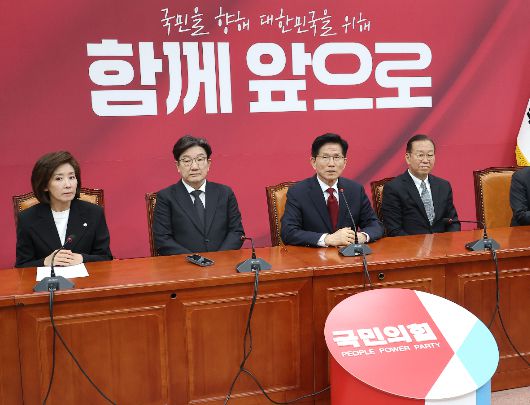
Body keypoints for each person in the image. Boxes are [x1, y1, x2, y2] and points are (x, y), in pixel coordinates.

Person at [281, 133, 383, 247]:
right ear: (313, 162)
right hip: (313, 255)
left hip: (349, 255)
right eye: (325, 157)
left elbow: (375, 225)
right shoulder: (298, 192)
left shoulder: (355, 190)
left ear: (344, 163)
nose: (331, 164)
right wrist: (327, 239)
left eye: (337, 157)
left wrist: (361, 236)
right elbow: (288, 232)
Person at [15, 151, 112, 268]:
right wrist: (45, 261)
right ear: (45, 185)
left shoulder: (94, 213)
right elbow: (21, 266)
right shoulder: (27, 218)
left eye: (71, 177)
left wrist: (82, 258)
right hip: (48, 279)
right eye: (59, 178)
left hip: (86, 279)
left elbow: (106, 257)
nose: (68, 185)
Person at [153, 135, 244, 255]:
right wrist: (196, 260)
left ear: (208, 164)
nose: (194, 167)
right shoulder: (166, 197)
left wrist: (219, 258)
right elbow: (162, 240)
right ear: (177, 166)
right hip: (183, 264)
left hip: (223, 263)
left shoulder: (225, 193)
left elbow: (236, 232)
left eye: (200, 159)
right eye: (187, 161)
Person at [381, 134, 460, 236]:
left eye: (430, 155)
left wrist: (446, 242)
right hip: (410, 244)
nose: (426, 160)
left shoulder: (443, 186)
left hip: (442, 244)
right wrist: (420, 245)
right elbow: (394, 230)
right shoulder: (394, 188)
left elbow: (453, 222)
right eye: (420, 155)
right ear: (408, 158)